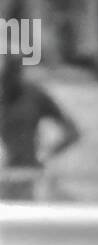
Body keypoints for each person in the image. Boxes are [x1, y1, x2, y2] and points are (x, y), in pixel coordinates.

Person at [0, 54, 80, 199]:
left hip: (30, 175)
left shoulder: (33, 95)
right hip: (6, 174)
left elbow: (72, 132)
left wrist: (46, 154)